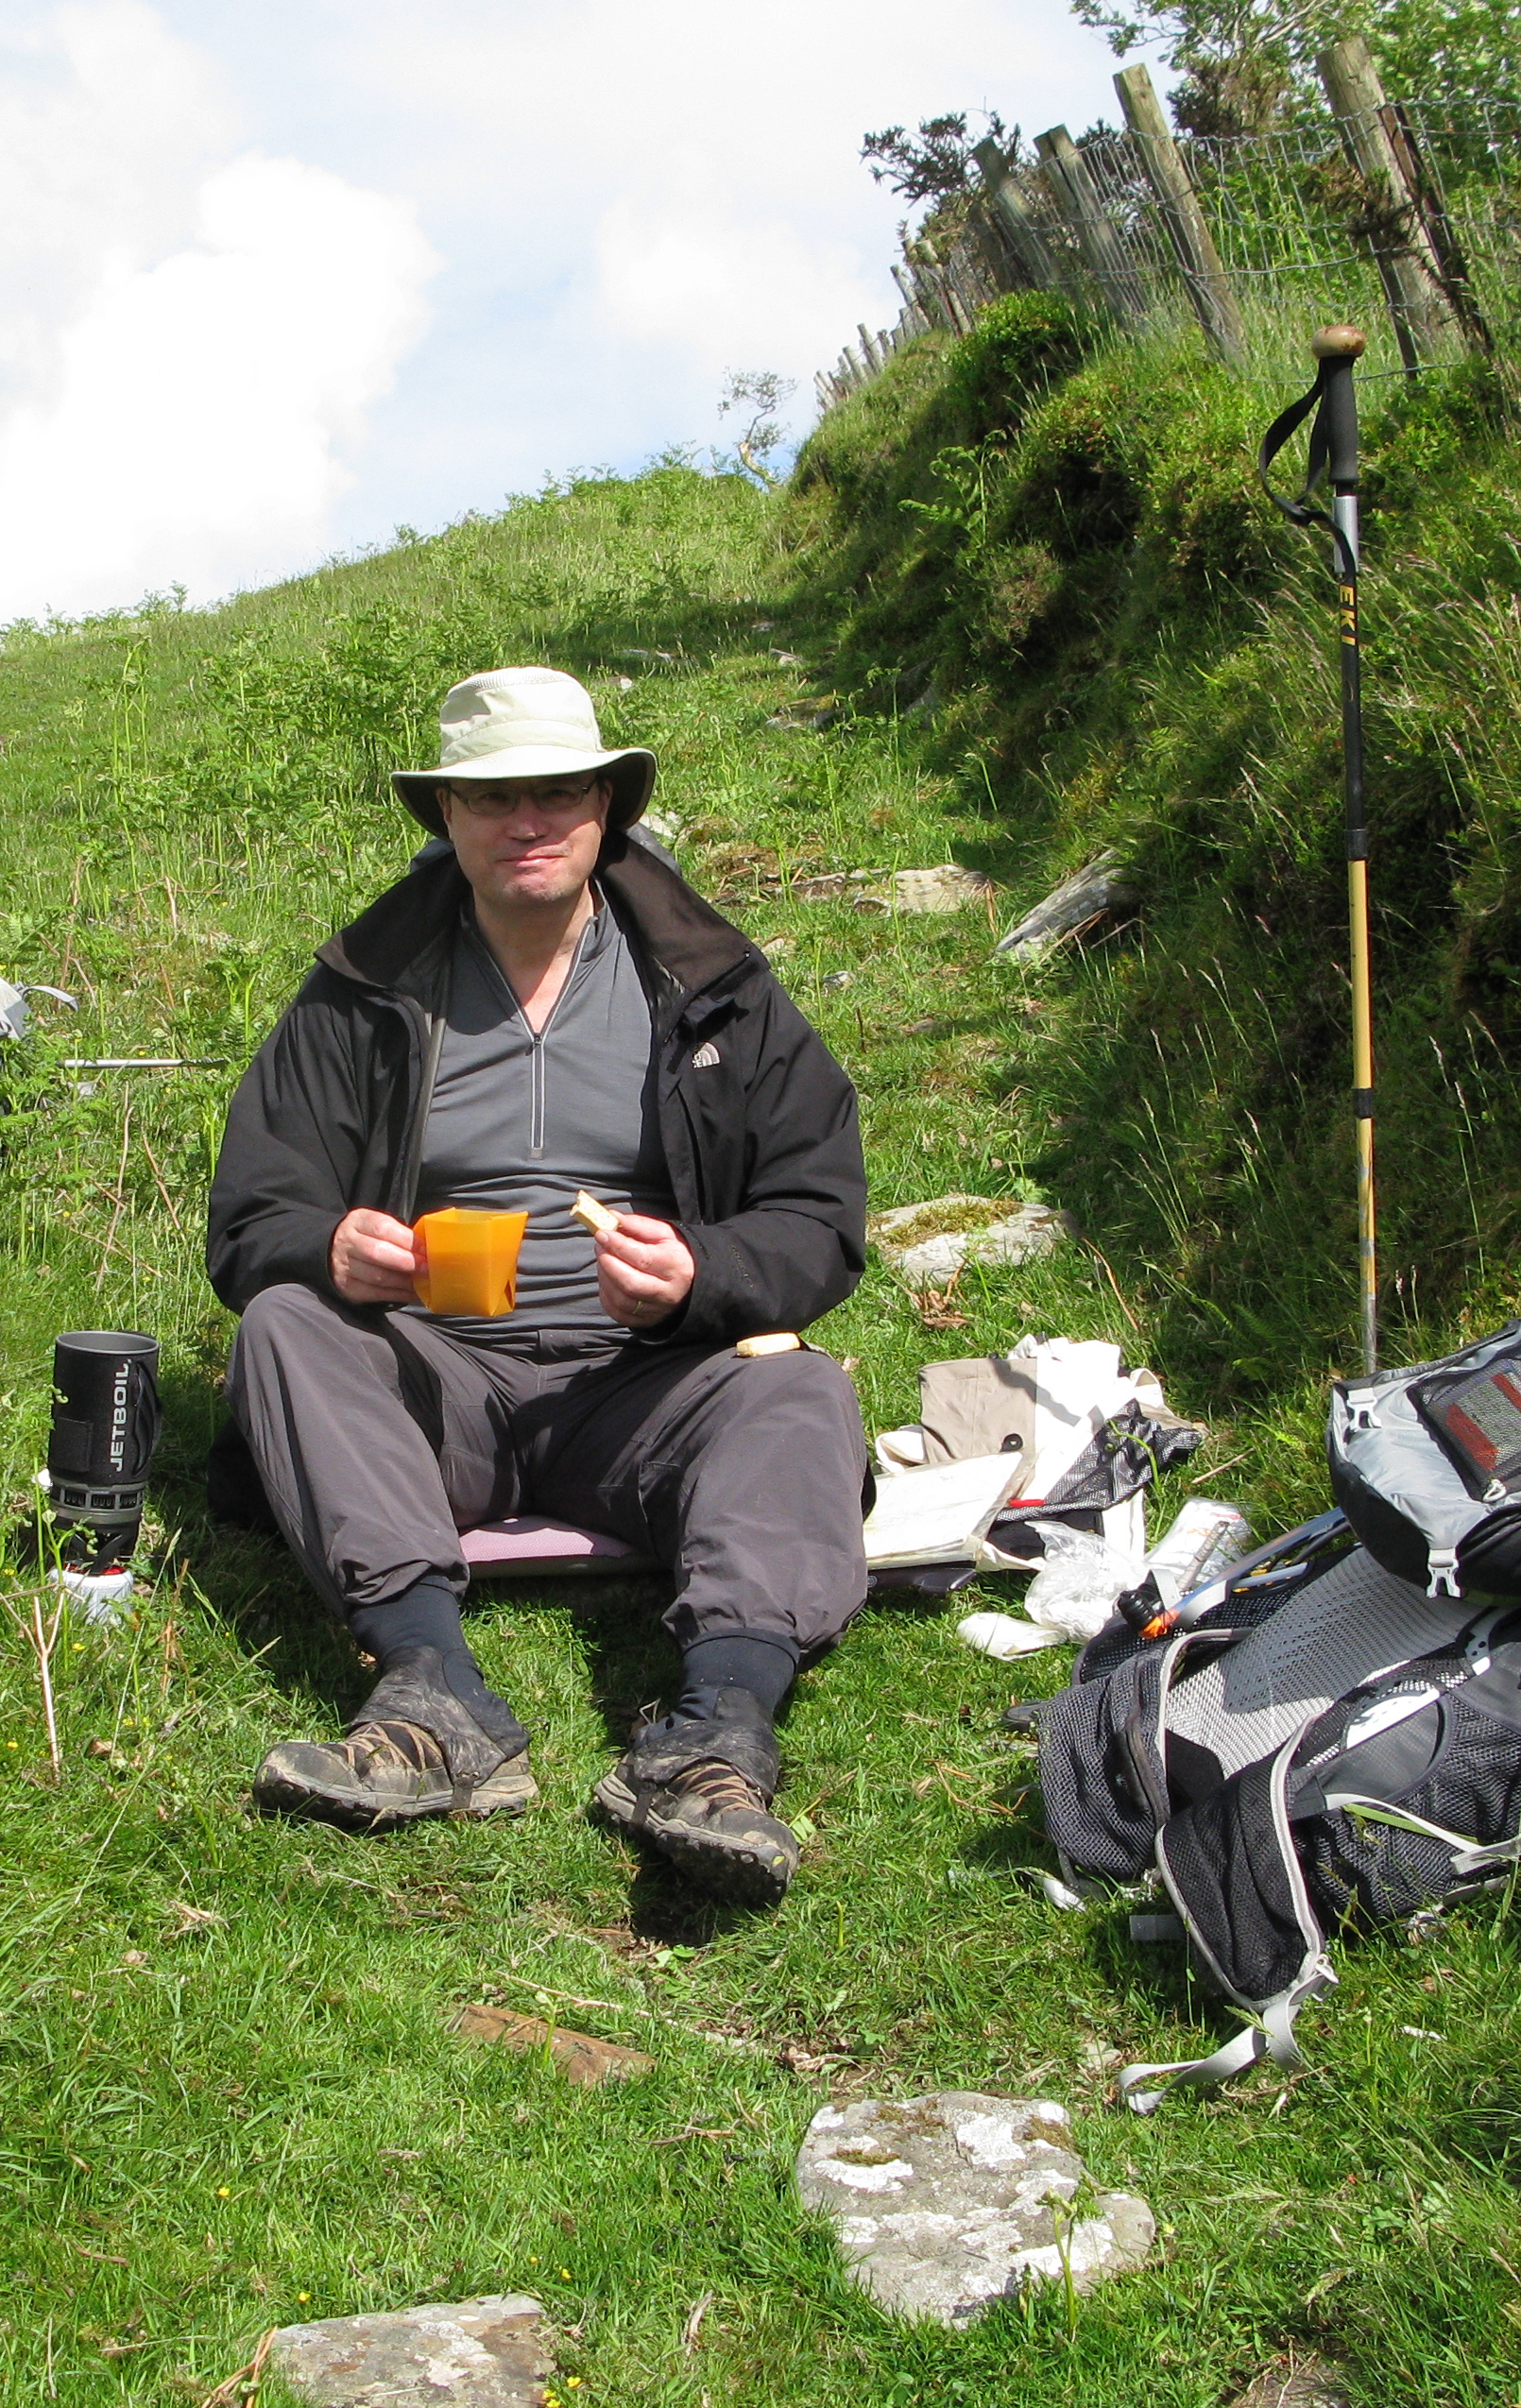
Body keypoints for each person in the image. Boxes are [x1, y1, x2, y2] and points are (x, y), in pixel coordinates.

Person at [206, 665, 870, 1906]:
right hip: (434, 1382)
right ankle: (431, 1693)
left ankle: (714, 1735)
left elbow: (821, 1213)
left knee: (801, 1391)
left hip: (649, 1385)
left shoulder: (711, 981)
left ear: (605, 808)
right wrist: (328, 1248)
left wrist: (704, 1273)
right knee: (287, 1323)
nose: (528, 820)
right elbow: (250, 1214)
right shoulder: (363, 988)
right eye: (492, 797)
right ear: (446, 816)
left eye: (559, 791)